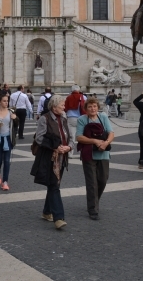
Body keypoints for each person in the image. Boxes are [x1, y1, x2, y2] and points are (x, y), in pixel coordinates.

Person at [31, 94, 72, 230]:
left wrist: (69, 147)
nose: (64, 107)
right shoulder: (45, 119)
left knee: (53, 185)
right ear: (54, 107)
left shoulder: (64, 118)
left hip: (62, 158)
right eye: (62, 105)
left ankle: (47, 211)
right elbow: (39, 138)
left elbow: (71, 137)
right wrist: (55, 147)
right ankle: (58, 218)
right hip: (50, 158)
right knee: (54, 185)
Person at [76, 98, 115, 220]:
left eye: (94, 106)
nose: (92, 109)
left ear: (98, 107)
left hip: (103, 153)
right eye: (90, 107)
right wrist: (94, 141)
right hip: (89, 154)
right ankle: (93, 209)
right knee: (92, 182)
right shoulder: (81, 119)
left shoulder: (103, 117)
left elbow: (111, 133)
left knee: (103, 180)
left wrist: (106, 143)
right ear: (86, 109)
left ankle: (94, 201)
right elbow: (79, 137)